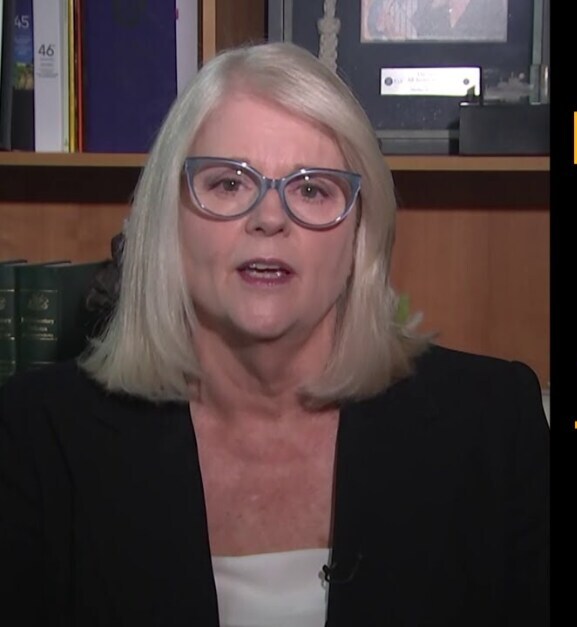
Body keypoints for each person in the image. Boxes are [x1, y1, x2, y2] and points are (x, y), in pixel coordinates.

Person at [0, 42, 549, 626]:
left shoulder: (495, 425)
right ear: (169, 219)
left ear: (359, 234)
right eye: (229, 183)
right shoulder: (36, 436)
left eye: (312, 188)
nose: (269, 218)